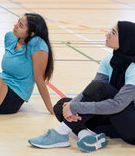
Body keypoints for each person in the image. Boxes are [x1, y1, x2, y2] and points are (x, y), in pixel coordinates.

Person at [29, 21, 135, 152]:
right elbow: (91, 90)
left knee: (95, 90)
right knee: (62, 105)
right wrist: (71, 105)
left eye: (113, 33)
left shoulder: (134, 68)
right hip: (110, 126)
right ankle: (86, 136)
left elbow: (118, 104)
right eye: (110, 30)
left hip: (131, 129)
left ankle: (60, 133)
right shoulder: (109, 59)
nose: (107, 34)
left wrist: (76, 107)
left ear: (126, 41)